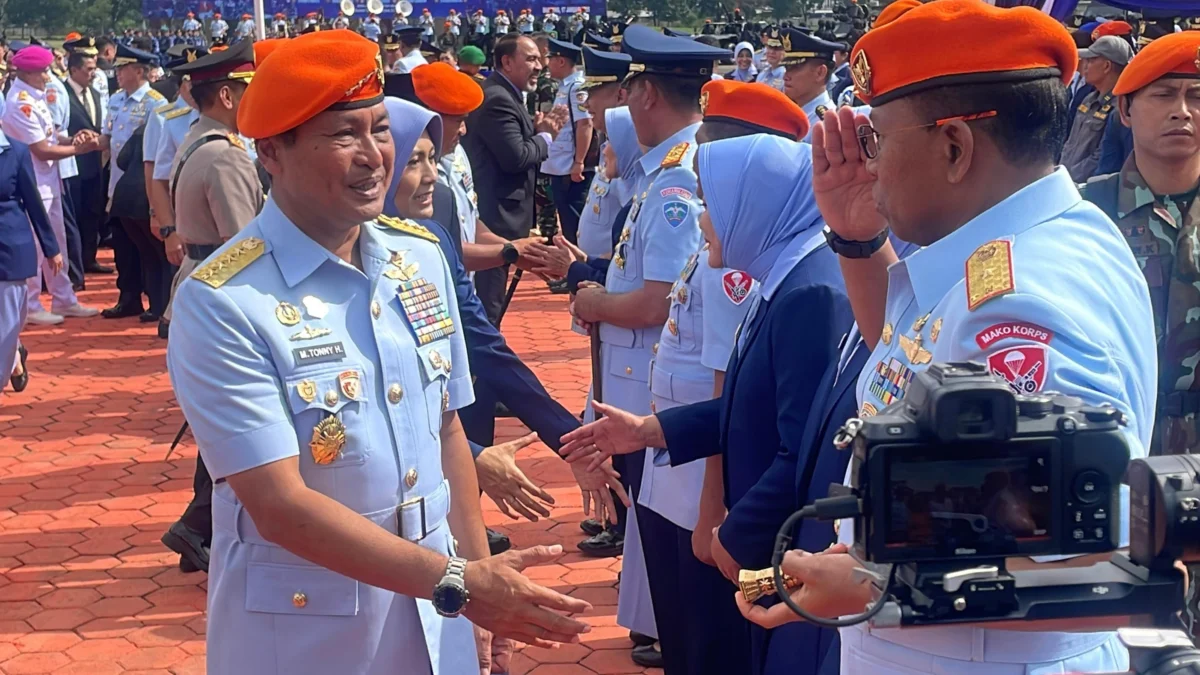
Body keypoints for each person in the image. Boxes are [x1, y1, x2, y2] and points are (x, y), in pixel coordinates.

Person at [739, 3, 1154, 674]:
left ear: (955, 146)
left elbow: (1109, 560)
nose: (868, 163)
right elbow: (919, 366)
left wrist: (880, 585)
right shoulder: (1020, 244)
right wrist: (856, 238)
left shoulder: (1024, 300)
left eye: (878, 138)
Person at [168, 30, 593, 675]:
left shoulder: (416, 258)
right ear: (272, 152)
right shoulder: (225, 300)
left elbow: (447, 427)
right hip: (311, 631)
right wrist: (462, 584)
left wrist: (475, 583)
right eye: (344, 137)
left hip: (436, 612)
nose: (375, 157)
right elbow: (279, 505)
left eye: (379, 131)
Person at [562, 76, 852, 675]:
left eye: (709, 197)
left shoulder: (810, 292)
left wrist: (730, 532)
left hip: (767, 538)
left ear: (753, 200)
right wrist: (652, 431)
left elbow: (799, 444)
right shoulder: (779, 270)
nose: (698, 214)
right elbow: (748, 404)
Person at [567, 23, 729, 669]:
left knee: (665, 536)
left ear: (647, 95)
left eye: (628, 88)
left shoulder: (675, 180)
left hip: (654, 384)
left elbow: (660, 296)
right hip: (646, 378)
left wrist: (596, 302)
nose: (619, 105)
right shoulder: (668, 168)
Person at [156, 41, 262, 573]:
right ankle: (199, 527)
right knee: (236, 424)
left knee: (222, 422)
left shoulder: (202, 140)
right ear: (226, 94)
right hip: (222, 297)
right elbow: (246, 245)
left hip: (197, 287)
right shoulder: (224, 154)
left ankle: (200, 529)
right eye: (247, 90)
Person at [1085, 30, 1200, 457]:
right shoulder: (1083, 213)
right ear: (1125, 109)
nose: (1182, 112)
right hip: (1117, 449)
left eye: (1197, 97)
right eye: (1164, 95)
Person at [461, 34, 566, 324]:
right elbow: (515, 157)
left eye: (539, 59)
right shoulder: (497, 98)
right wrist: (545, 137)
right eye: (530, 59)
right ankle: (482, 365)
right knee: (487, 303)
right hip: (495, 217)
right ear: (507, 62)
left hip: (502, 213)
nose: (539, 66)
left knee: (491, 301)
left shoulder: (506, 93)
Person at [2, 46, 99, 325]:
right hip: (33, 183)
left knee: (57, 245)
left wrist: (73, 140)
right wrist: (78, 151)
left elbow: (52, 136)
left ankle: (64, 298)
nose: (48, 76)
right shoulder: (20, 102)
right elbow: (42, 149)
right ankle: (32, 304)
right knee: (35, 246)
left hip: (48, 181)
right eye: (44, 71)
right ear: (29, 73)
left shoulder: (35, 95)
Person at [97, 42, 169, 322]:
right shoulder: (115, 99)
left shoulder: (155, 104)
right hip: (117, 185)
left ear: (139, 71)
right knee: (123, 247)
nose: (118, 73)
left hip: (142, 188)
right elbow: (107, 138)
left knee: (148, 248)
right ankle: (128, 298)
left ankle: (156, 300)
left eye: (123, 68)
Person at [0, 123, 63, 396]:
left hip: (8, 248)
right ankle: (13, 356)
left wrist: (51, 247)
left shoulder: (16, 151)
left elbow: (32, 200)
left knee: (5, 321)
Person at [63, 38, 110, 276]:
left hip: (94, 163)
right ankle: (74, 265)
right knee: (75, 214)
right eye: (89, 69)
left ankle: (89, 258)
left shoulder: (95, 93)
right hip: (71, 163)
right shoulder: (61, 93)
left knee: (93, 211)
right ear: (74, 70)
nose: (93, 74)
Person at [541, 38, 593, 245]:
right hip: (560, 164)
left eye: (550, 59)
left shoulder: (576, 88)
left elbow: (585, 124)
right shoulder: (565, 87)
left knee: (574, 223)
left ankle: (578, 272)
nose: (548, 63)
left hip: (570, 166)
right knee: (567, 219)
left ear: (561, 61)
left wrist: (579, 161)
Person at [1062, 35, 1132, 182]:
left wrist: (1070, 178)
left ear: (1106, 66)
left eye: (1091, 60)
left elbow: (1101, 156)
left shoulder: (1121, 107)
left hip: (1087, 187)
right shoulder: (1089, 99)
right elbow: (1071, 142)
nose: (1084, 65)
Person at [776, 26, 847, 143]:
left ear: (820, 73)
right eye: (787, 68)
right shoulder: (789, 114)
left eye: (795, 68)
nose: (786, 76)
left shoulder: (827, 124)